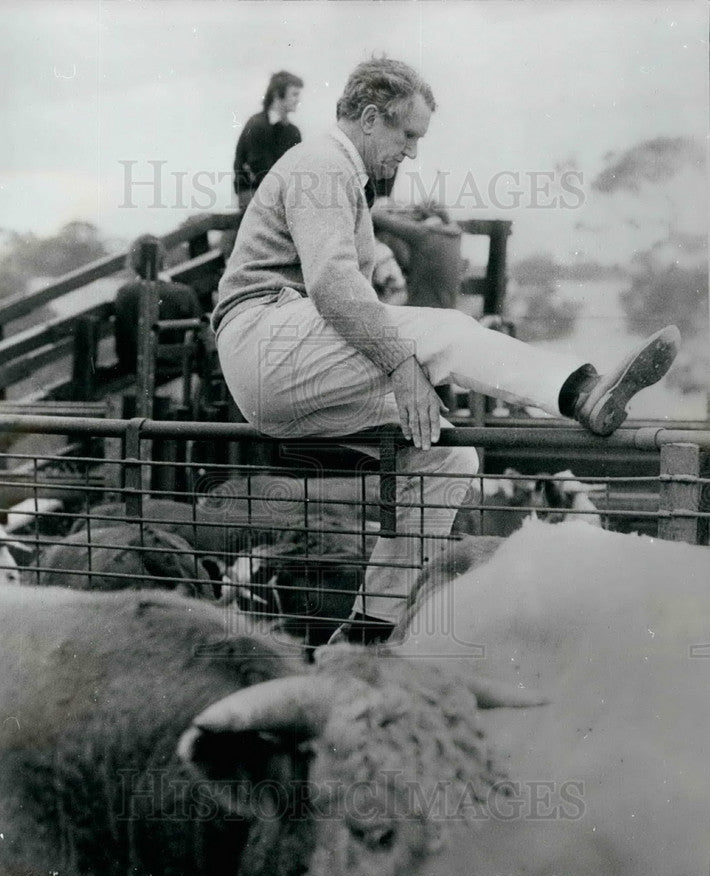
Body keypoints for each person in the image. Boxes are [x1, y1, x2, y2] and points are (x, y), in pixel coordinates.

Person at [211, 57, 680, 645]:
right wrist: (401, 366)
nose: (410, 152)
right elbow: (332, 285)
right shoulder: (321, 161)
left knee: (444, 456)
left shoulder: (344, 179)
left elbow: (344, 281)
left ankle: (366, 634)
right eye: (408, 136)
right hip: (265, 338)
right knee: (447, 333)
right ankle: (583, 392)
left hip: (281, 363)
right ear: (372, 118)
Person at [113, 235, 200, 377]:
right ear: (163, 259)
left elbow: (123, 343)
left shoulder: (125, 294)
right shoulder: (185, 293)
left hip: (137, 372)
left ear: (133, 262)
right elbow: (199, 337)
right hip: (181, 371)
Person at [233, 70, 304, 211]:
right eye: (294, 94)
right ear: (278, 95)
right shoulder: (257, 125)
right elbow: (261, 170)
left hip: (280, 195)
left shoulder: (293, 132)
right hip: (253, 193)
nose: (298, 100)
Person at [372, 200, 465, 309]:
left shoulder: (424, 234)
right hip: (448, 307)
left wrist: (380, 205)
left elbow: (379, 218)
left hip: (424, 308)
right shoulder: (453, 235)